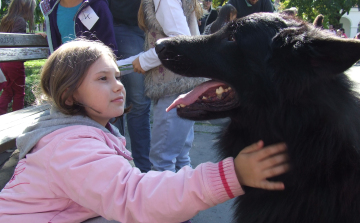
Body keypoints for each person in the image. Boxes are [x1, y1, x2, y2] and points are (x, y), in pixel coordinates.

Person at [0, 39, 290, 223]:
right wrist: (231, 175)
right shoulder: (70, 146)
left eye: (117, 76)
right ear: (69, 97)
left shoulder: (84, 134)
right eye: (102, 78)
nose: (117, 85)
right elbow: (133, 197)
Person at [134, 0, 205, 173]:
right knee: (180, 156)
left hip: (173, 85)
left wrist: (144, 60)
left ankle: (167, 200)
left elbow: (179, 42)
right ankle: (189, 198)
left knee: (163, 161)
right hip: (184, 82)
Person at [108, 0, 152, 173]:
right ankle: (133, 167)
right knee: (136, 104)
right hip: (124, 26)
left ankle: (134, 167)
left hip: (142, 28)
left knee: (133, 104)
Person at [0, 0, 37, 115]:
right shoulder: (20, 21)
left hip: (4, 61)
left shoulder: (6, 19)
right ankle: (17, 116)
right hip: (15, 62)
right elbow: (17, 42)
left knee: (8, 91)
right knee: (19, 92)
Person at [39, 0, 117, 54]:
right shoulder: (51, 9)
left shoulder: (97, 5)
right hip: (65, 70)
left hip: (91, 70)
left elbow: (109, 45)